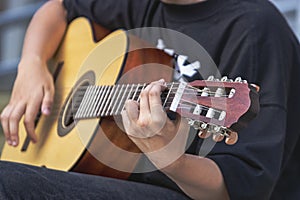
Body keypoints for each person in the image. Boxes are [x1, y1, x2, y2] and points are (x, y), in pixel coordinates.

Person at [0, 0, 300, 199]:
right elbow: (60, 7)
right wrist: (32, 63)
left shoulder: (254, 30)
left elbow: (239, 186)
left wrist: (169, 158)